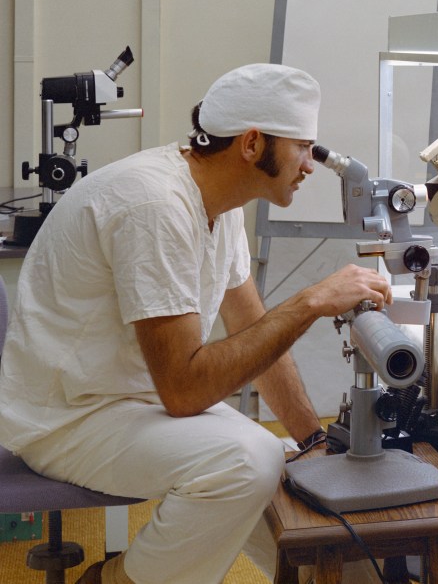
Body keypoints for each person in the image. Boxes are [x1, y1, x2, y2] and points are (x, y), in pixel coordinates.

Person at [0, 63, 393, 584]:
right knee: (246, 462)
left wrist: (314, 445)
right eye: (303, 147)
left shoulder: (221, 203)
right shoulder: (153, 206)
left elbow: (251, 327)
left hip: (136, 401)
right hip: (69, 416)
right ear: (252, 144)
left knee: (285, 466)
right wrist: (311, 301)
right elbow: (185, 390)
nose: (310, 165)